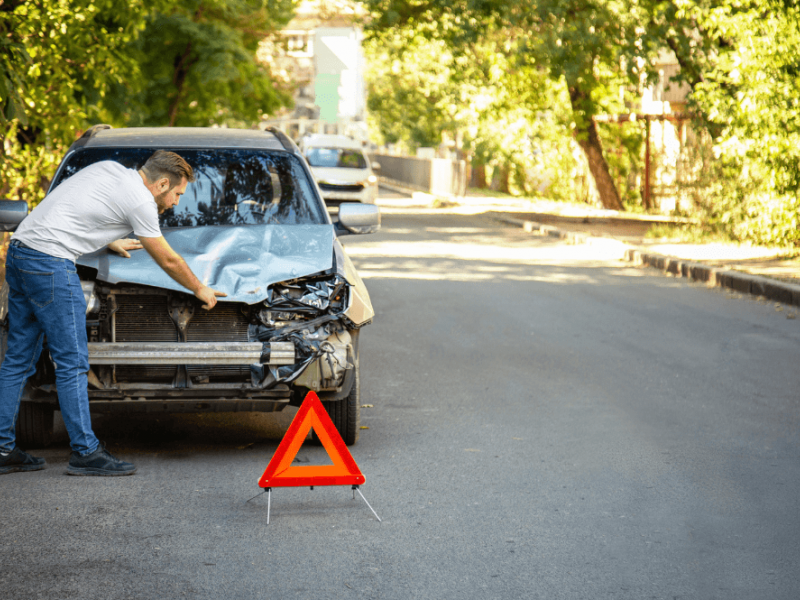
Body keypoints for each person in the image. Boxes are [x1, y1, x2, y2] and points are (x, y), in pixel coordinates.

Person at [0, 150, 226, 476]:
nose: (176, 201)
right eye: (177, 193)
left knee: (19, 359)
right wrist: (199, 288)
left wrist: (110, 240)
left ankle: (3, 448)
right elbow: (168, 260)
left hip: (22, 253)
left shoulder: (111, 170)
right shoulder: (141, 202)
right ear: (162, 183)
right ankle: (85, 452)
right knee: (72, 361)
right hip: (50, 265)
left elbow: (79, 210)